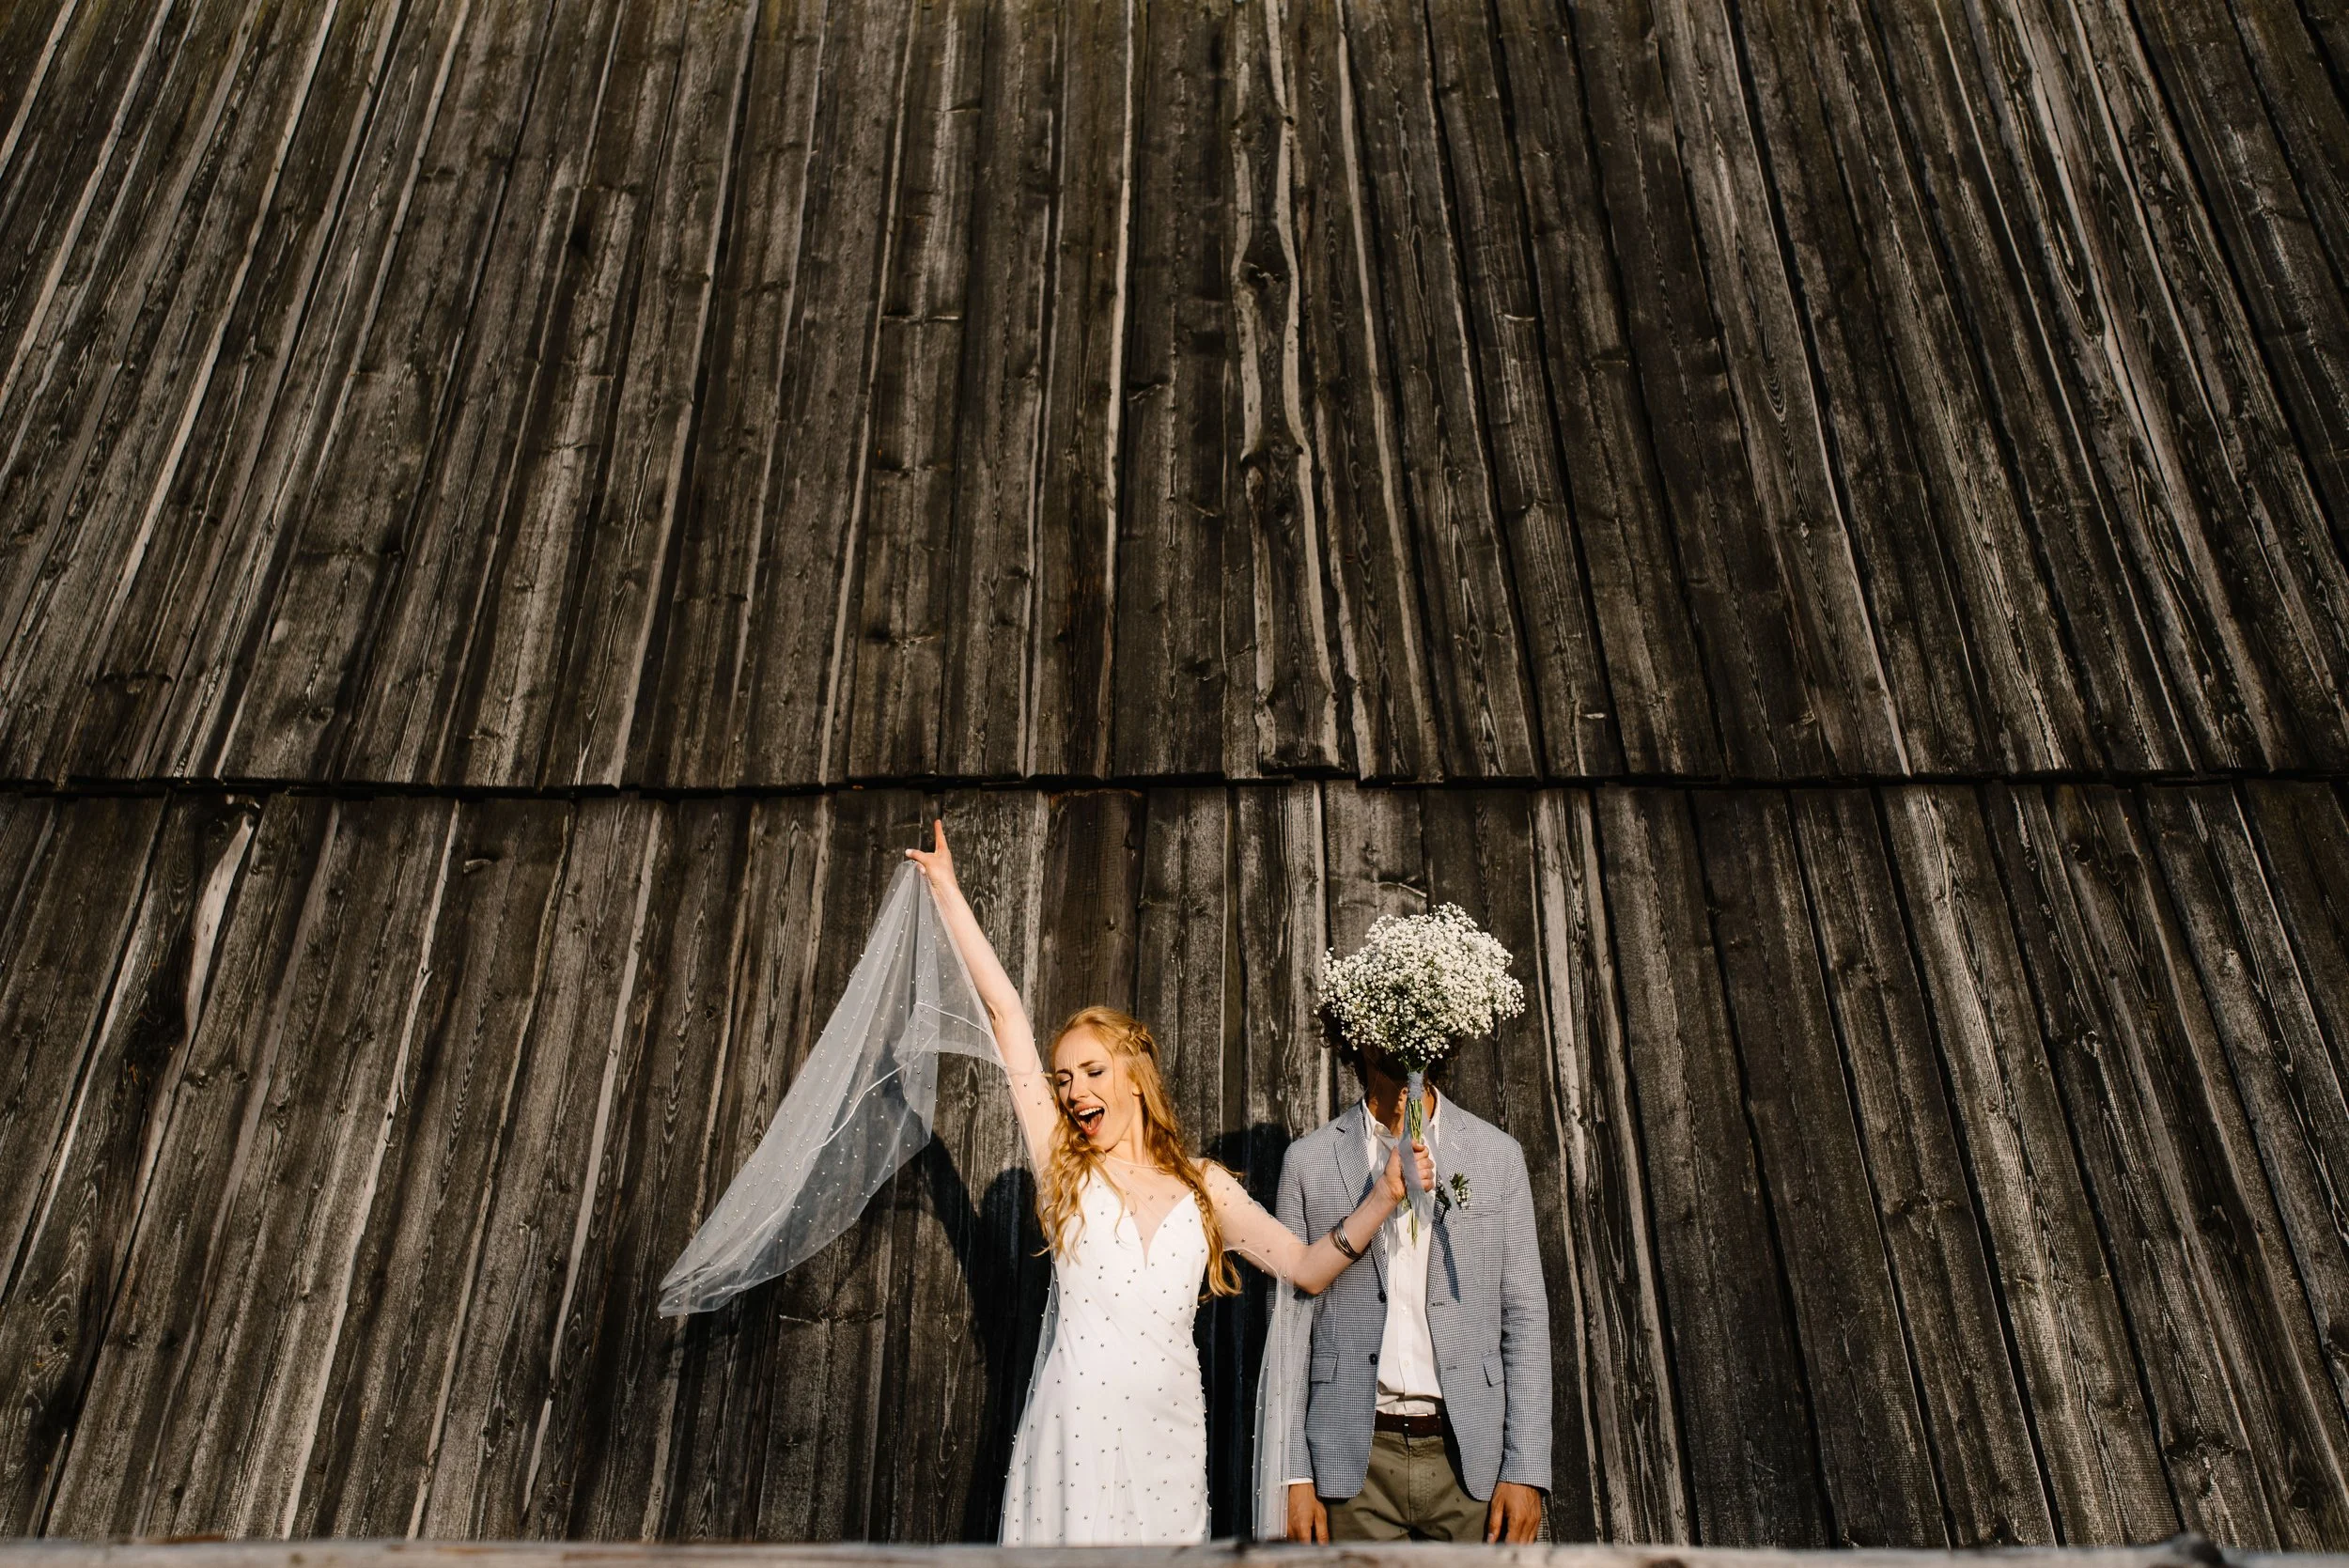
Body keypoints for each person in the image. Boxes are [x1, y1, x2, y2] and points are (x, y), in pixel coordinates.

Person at [905, 822, 1431, 1545]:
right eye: (1064, 1079)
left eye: (1092, 1071)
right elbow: (1006, 1014)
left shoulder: (1206, 1186)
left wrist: (1383, 1196)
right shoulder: (1065, 1168)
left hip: (1171, 1440)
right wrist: (947, 890)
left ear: (1134, 1077)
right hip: (1073, 1437)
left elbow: (1307, 1268)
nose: (1074, 1091)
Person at [1275, 1032, 1551, 1543]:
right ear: (1359, 1039)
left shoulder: (1497, 1155)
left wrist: (1526, 1468)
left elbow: (1526, 1317)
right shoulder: (1308, 1162)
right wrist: (1293, 1473)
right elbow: (1288, 1332)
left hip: (1471, 1460)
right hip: (1349, 1462)